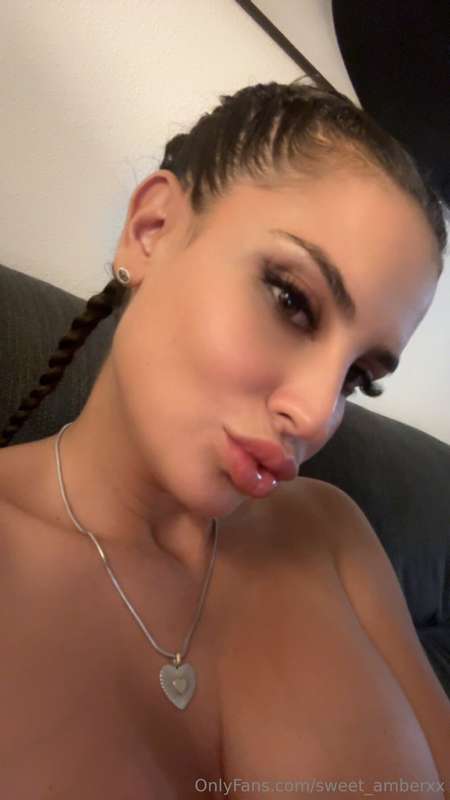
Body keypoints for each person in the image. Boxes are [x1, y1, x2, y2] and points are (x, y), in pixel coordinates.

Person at [0, 77, 448, 798]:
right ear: (152, 231)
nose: (318, 415)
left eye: (358, 377)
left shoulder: (330, 528)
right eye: (292, 300)